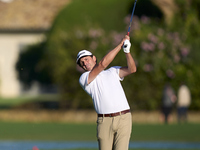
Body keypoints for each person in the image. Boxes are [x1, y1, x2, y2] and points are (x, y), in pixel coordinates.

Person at [76, 35, 136, 150]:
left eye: (86, 59)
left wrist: (127, 51)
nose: (84, 63)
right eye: (81, 62)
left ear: (94, 58)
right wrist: (120, 44)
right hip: (104, 121)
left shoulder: (113, 71)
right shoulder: (84, 78)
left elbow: (132, 69)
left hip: (123, 118)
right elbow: (102, 64)